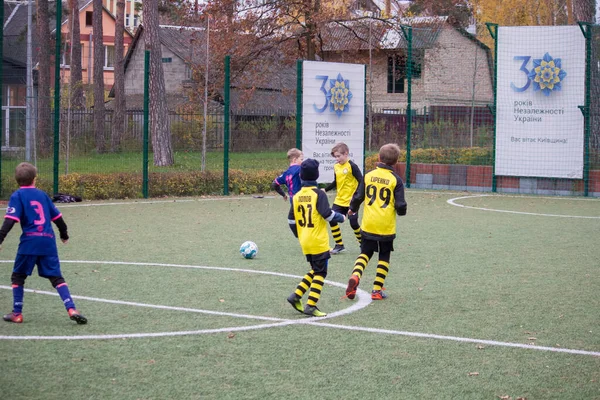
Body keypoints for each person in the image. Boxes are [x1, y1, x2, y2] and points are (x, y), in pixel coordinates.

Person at [1, 162, 87, 324]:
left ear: (17, 180)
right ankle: (71, 308)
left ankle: (17, 313)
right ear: (35, 179)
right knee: (56, 278)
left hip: (29, 243)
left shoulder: (17, 196)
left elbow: (9, 221)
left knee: (18, 276)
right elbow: (59, 220)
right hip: (48, 242)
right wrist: (64, 234)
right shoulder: (42, 195)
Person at [345, 143, 407, 301]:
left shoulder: (368, 175)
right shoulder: (396, 180)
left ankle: (355, 276)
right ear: (396, 162)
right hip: (386, 226)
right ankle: (377, 290)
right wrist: (401, 211)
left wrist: (352, 209)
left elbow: (358, 196)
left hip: (368, 224)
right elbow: (400, 205)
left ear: (379, 158)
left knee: (365, 253)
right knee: (384, 256)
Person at [287, 159, 346, 317]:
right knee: (321, 273)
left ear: (301, 176)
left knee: (315, 269)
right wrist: (341, 217)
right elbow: (327, 214)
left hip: (305, 240)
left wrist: (299, 235)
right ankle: (311, 305)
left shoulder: (298, 195)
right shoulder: (318, 193)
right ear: (317, 176)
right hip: (318, 240)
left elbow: (291, 221)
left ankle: (296, 296)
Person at [322, 142, 363, 254]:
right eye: (335, 157)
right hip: (339, 200)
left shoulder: (352, 166)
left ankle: (363, 244)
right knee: (331, 218)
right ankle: (339, 245)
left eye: (338, 156)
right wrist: (325, 190)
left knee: (353, 223)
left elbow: (361, 181)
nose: (337, 159)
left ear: (346, 154)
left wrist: (356, 197)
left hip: (351, 201)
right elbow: (336, 182)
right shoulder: (336, 167)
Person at [271, 148, 303, 236]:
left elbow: (274, 184)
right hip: (303, 200)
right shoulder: (300, 169)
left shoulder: (286, 173)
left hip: (294, 201)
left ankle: (301, 237)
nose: (302, 161)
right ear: (294, 160)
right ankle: (304, 238)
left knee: (294, 220)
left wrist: (283, 195)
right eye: (301, 159)